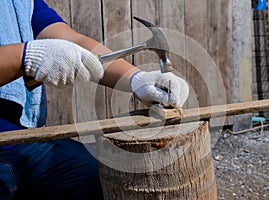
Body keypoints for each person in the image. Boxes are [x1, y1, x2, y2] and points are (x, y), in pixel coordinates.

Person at [0, 0, 189, 199]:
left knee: (106, 178)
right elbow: (27, 56)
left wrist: (138, 80)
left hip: (24, 141)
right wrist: (24, 56)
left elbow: (72, 40)